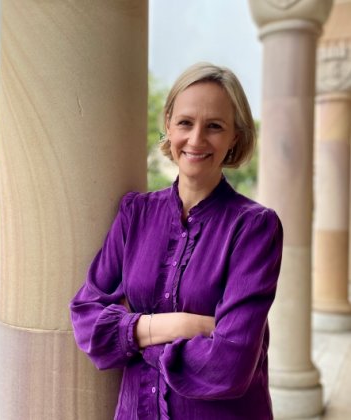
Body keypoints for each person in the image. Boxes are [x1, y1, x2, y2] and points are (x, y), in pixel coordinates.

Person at [70, 62, 283, 419]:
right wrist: (185, 326)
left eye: (215, 126)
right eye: (185, 122)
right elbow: (87, 321)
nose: (196, 139)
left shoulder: (255, 228)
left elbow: (229, 366)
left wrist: (130, 333)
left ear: (235, 136)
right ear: (168, 124)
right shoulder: (134, 214)